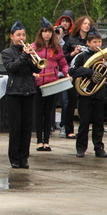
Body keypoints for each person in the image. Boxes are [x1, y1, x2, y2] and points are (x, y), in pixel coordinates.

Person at [2, 21, 40, 169]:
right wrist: (24, 56)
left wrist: (31, 57)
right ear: (12, 37)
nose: (21, 37)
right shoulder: (7, 53)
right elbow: (12, 68)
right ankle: (14, 157)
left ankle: (24, 157)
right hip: (14, 92)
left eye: (23, 35)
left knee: (27, 126)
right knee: (16, 126)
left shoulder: (29, 51)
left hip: (29, 90)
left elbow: (37, 67)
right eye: (18, 35)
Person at [69, 30, 107, 159]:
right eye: (94, 42)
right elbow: (72, 70)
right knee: (84, 122)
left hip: (98, 92)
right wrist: (89, 72)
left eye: (99, 42)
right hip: (84, 93)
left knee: (99, 122)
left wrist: (105, 74)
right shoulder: (81, 56)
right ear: (88, 43)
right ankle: (81, 148)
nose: (97, 44)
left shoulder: (103, 57)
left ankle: (99, 148)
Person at [33, 18, 69, 151]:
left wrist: (66, 74)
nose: (47, 34)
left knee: (49, 113)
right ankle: (38, 141)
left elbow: (63, 63)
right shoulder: (34, 47)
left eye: (49, 32)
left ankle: (46, 141)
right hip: (38, 83)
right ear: (40, 33)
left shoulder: (56, 47)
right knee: (38, 112)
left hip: (51, 83)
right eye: (44, 31)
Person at [62, 15, 95, 139]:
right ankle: (68, 129)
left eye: (89, 24)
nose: (87, 26)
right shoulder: (71, 39)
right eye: (85, 23)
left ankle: (84, 128)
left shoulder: (92, 39)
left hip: (88, 75)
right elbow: (63, 57)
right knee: (71, 102)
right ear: (79, 25)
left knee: (86, 102)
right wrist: (73, 53)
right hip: (74, 73)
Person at [54, 11, 75, 135]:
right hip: (52, 72)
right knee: (51, 101)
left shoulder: (72, 38)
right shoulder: (54, 34)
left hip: (64, 72)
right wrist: (58, 36)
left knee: (65, 101)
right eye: (63, 21)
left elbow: (63, 56)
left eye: (67, 21)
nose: (65, 24)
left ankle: (63, 125)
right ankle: (50, 125)